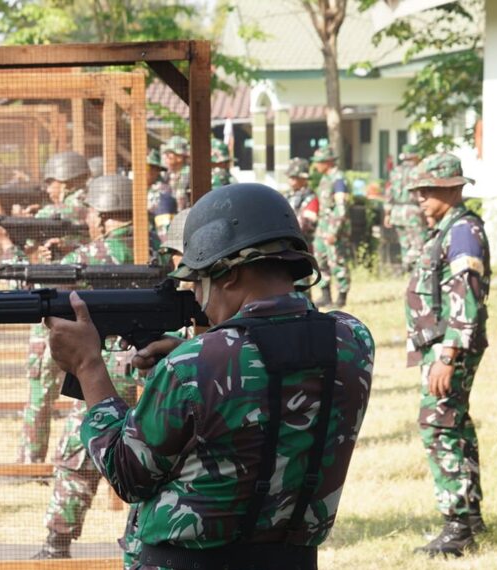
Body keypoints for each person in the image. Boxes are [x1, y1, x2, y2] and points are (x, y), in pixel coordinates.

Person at [45, 182, 375, 569]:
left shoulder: (192, 366)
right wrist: (195, 355)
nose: (198, 298)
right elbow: (275, 363)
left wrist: (88, 366)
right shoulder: (353, 340)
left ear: (228, 275)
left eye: (198, 281)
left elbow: (128, 474)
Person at [33, 174, 166, 559]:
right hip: (156, 362)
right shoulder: (156, 249)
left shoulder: (87, 257)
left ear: (104, 215)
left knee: (77, 452)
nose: (88, 218)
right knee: (153, 449)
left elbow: (43, 292)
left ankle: (56, 544)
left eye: (91, 212)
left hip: (106, 370)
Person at [0, 151, 91, 464]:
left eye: (51, 183)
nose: (48, 189)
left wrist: (6, 237)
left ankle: (30, 459)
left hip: (56, 309)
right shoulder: (92, 209)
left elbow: (27, 268)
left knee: (41, 388)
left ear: (65, 181)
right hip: (88, 311)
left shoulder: (58, 211)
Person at [404, 153, 490, 558]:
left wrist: (449, 354)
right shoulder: (447, 229)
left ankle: (457, 528)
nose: (420, 197)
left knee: (439, 425)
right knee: (455, 424)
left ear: (453, 190)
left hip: (449, 347)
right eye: (419, 191)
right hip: (441, 345)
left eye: (428, 190)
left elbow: (465, 294)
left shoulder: (462, 232)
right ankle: (470, 516)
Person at [310, 146, 351, 308]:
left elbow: (341, 208)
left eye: (319, 162)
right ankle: (325, 295)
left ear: (328, 162)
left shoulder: (338, 179)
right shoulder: (324, 179)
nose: (316, 165)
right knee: (320, 260)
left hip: (334, 228)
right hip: (322, 226)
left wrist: (334, 231)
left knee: (337, 261)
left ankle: (341, 297)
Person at [384, 145, 426, 272]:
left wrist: (387, 213)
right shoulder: (419, 171)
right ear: (415, 156)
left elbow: (388, 193)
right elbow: (422, 192)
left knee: (404, 242)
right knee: (418, 242)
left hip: (396, 211)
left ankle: (405, 267)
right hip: (413, 211)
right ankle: (416, 269)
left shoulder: (395, 171)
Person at [146, 149, 176, 240]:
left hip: (153, 244)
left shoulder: (161, 193)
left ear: (155, 171)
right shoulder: (138, 190)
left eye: (145, 167)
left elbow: (165, 232)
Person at [161, 136, 191, 208]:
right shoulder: (167, 175)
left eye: (169, 153)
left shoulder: (189, 174)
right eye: (166, 154)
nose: (166, 157)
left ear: (179, 157)